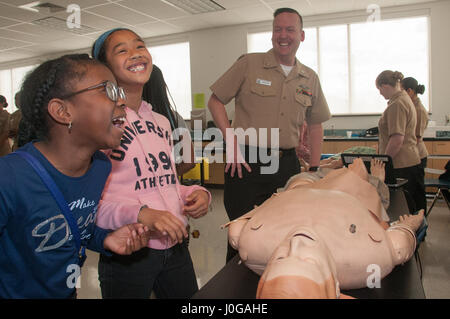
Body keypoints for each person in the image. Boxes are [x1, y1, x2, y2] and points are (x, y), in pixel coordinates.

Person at [0, 54, 151, 298]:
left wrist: (105, 239)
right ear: (62, 111)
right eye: (108, 90)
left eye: (119, 91)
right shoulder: (9, 178)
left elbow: (76, 229)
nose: (122, 100)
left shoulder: (100, 166)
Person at [91, 28, 211, 299]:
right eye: (121, 50)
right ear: (104, 68)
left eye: (140, 46)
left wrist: (195, 193)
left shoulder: (161, 121)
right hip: (130, 250)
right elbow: (91, 205)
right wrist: (141, 213)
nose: (135, 53)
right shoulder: (99, 124)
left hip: (176, 247)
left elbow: (166, 182)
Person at [207, 7, 331, 262]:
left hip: (287, 164)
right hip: (246, 162)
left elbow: (316, 123)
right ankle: (237, 294)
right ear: (272, 34)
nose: (283, 35)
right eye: (277, 29)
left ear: (302, 35)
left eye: (289, 29)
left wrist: (315, 168)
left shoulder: (309, 77)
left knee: (282, 231)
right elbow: (215, 101)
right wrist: (230, 142)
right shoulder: (249, 64)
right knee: (241, 232)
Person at [225, 158, 424, 298]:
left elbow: (239, 227)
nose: (296, 243)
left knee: (301, 179)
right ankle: (373, 178)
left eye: (280, 258)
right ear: (336, 288)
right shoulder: (366, 259)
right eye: (307, 260)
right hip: (350, 191)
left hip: (299, 188)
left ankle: (326, 169)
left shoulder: (253, 245)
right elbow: (398, 241)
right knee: (367, 185)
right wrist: (411, 224)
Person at [376, 70, 423, 213]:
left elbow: (397, 139)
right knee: (414, 204)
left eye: (379, 89)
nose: (380, 93)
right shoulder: (405, 99)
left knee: (402, 208)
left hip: (400, 164)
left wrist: (384, 163)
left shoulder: (397, 104)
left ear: (385, 85)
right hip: (410, 161)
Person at [142, 64, 195, 176]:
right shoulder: (174, 118)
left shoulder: (127, 118)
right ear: (162, 87)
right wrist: (169, 179)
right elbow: (189, 162)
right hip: (168, 189)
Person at [401, 77, 428, 211]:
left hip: (417, 155)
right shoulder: (410, 106)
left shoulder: (418, 109)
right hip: (413, 154)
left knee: (417, 193)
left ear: (410, 91)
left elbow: (416, 137)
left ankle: (421, 220)